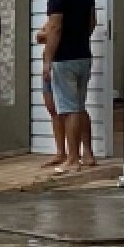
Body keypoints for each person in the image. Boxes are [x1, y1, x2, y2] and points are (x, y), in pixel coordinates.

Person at [42, 0, 97, 175]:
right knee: (80, 106)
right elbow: (92, 22)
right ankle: (89, 154)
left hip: (64, 58)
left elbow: (54, 28)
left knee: (69, 109)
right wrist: (80, 39)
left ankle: (72, 159)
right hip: (84, 55)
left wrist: (47, 60)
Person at [36, 23, 92, 167]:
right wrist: (48, 35)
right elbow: (39, 36)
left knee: (76, 107)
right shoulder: (52, 21)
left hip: (63, 63)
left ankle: (85, 152)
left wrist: (48, 35)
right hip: (50, 65)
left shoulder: (68, 18)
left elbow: (49, 35)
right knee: (53, 108)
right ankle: (61, 152)